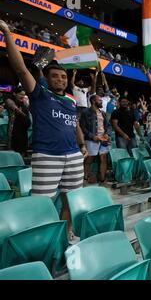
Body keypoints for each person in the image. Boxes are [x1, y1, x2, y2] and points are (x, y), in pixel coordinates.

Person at [0, 19, 87, 240]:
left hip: (73, 156)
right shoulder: (39, 94)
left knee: (70, 200)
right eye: (55, 76)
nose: (60, 79)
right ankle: (42, 241)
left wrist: (82, 144)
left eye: (63, 77)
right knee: (42, 204)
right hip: (48, 156)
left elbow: (73, 123)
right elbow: (20, 68)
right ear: (46, 80)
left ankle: (66, 233)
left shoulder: (70, 99)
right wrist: (8, 33)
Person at [80, 94, 112, 183]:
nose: (101, 102)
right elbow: (82, 127)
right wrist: (92, 136)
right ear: (93, 101)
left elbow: (108, 126)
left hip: (103, 139)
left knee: (103, 158)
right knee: (89, 159)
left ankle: (102, 180)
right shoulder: (86, 112)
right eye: (100, 100)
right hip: (92, 139)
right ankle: (85, 178)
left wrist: (107, 134)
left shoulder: (103, 113)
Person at [4, 86, 31, 156]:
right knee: (13, 153)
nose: (23, 96)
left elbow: (27, 119)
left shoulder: (23, 104)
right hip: (14, 132)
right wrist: (23, 115)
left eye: (24, 95)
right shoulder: (9, 101)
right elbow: (16, 110)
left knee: (22, 154)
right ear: (14, 94)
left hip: (23, 132)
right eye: (20, 94)